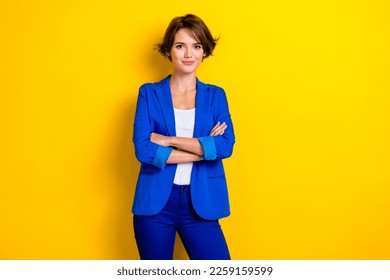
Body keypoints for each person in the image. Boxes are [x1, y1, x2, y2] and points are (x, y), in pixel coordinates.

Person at [132, 14, 235, 260]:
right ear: (169, 50)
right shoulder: (149, 93)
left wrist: (168, 140)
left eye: (196, 46)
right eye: (180, 46)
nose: (188, 54)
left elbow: (225, 146)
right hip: (155, 207)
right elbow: (143, 150)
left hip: (201, 204)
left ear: (204, 51)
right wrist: (204, 150)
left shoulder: (215, 96)